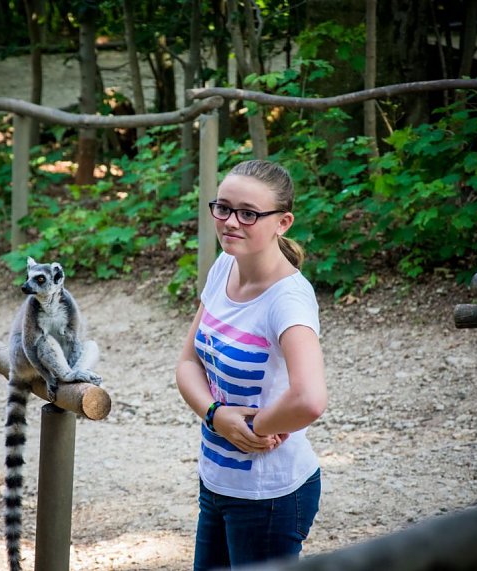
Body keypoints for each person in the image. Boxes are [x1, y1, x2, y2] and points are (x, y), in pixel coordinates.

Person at [175, 159, 327, 570]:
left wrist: (253, 430)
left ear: (283, 222)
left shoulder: (288, 300)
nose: (230, 222)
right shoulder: (225, 266)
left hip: (270, 497)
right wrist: (216, 416)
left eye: (248, 213)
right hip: (217, 482)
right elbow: (188, 362)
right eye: (222, 208)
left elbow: (310, 399)